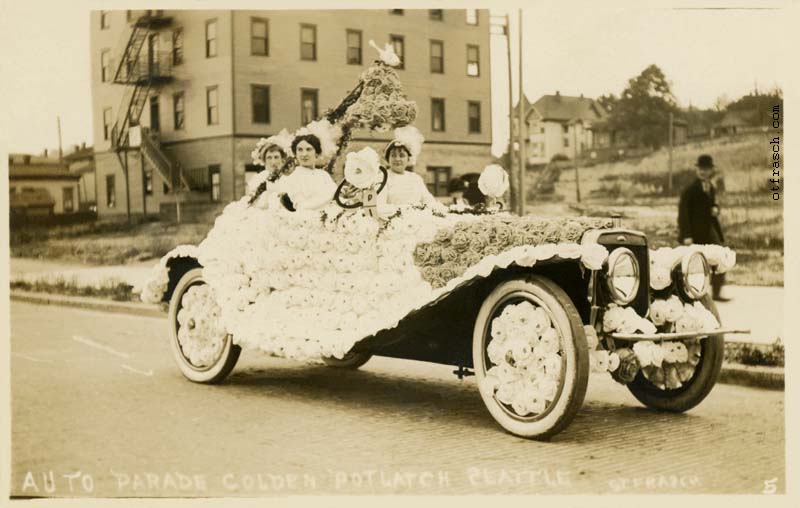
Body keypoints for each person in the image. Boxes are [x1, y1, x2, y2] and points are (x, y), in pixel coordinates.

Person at [678, 154, 729, 301]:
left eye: (706, 169)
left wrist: (716, 209)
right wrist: (687, 235)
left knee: (720, 256)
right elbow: (684, 214)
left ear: (711, 170)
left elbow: (713, 205)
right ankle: (695, 294)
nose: (702, 172)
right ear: (697, 170)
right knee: (696, 263)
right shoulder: (690, 190)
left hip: (710, 230)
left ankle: (717, 293)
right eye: (700, 168)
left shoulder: (711, 187)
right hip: (695, 232)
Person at [378, 139, 446, 212]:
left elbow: (429, 200)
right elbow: (379, 206)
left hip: (418, 219)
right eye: (393, 155)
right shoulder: (382, 177)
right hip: (393, 219)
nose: (397, 159)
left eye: (402, 155)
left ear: (408, 159)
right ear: (388, 159)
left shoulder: (416, 178)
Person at [276, 134, 336, 211]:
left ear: (317, 153)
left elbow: (335, 196)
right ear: (295, 154)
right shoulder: (289, 177)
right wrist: (332, 195)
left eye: (308, 149)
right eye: (300, 150)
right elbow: (301, 206)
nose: (304, 154)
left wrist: (343, 194)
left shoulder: (323, 175)